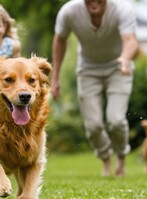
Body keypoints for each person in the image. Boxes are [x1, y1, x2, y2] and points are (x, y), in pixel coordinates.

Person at [51, 0, 139, 176]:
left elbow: (131, 41)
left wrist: (125, 58)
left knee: (116, 120)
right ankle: (106, 158)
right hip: (88, 70)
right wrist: (55, 77)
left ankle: (121, 157)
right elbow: (60, 40)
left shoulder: (122, 9)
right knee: (93, 125)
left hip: (119, 68)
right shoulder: (69, 12)